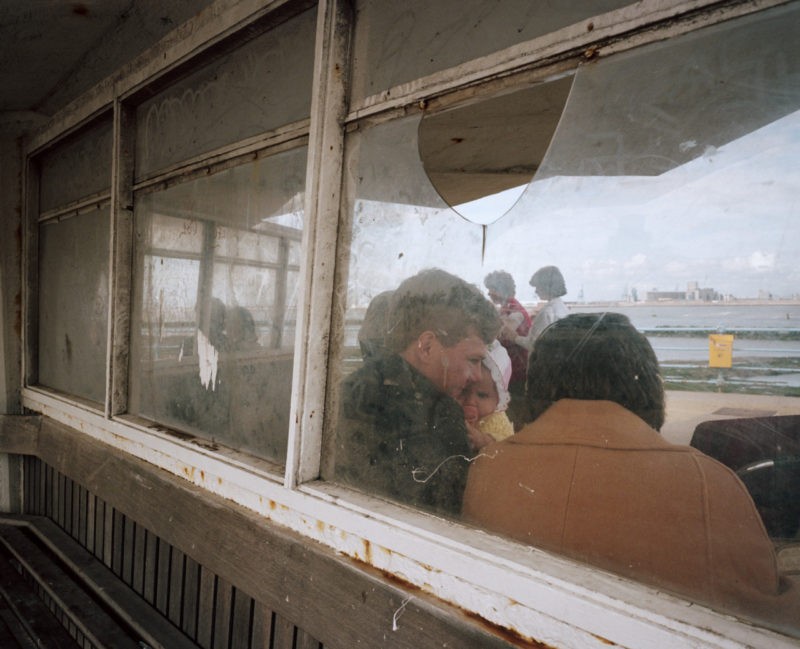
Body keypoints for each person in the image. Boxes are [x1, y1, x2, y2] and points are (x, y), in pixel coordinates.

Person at [463, 313, 800, 629]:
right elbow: (770, 621)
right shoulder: (708, 485)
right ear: (645, 386)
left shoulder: (489, 469)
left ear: (536, 389)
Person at [335, 269, 500, 516]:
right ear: (427, 346)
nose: (477, 376)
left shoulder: (348, 390)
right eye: (473, 360)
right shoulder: (441, 414)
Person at [484, 271, 531, 429]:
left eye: (493, 289)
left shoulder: (514, 311)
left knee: (512, 413)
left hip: (517, 371)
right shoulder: (507, 307)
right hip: (512, 368)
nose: (489, 293)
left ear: (503, 289)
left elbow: (497, 335)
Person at [458, 340, 515, 452]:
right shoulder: (451, 408)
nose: (470, 401)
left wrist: (483, 440)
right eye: (464, 391)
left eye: (482, 395)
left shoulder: (496, 419)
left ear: (498, 400)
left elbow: (506, 446)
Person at [503, 265, 568, 352]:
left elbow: (535, 345)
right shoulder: (562, 308)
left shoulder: (546, 312)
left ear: (547, 286)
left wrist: (515, 338)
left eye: (538, 287)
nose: (536, 291)